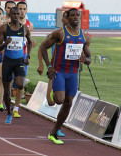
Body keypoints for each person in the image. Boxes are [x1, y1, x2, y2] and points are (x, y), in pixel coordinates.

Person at [40, 8, 91, 144]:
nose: (75, 17)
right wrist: (49, 66)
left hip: (73, 74)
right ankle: (54, 93)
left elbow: (89, 58)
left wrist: (84, 60)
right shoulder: (60, 33)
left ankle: (54, 132)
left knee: (68, 102)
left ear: (80, 17)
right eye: (72, 15)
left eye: (77, 15)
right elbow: (43, 47)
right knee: (59, 100)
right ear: (67, 18)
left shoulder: (84, 36)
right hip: (59, 72)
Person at [0, 7, 32, 124]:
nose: (17, 15)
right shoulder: (4, 28)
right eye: (14, 14)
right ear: (10, 15)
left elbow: (30, 42)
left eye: (18, 13)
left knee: (20, 84)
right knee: (7, 91)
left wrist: (28, 55)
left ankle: (15, 107)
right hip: (7, 61)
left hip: (19, 61)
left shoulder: (25, 29)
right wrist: (6, 43)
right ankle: (9, 113)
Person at [37, 11, 68, 137]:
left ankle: (58, 127)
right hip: (56, 70)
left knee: (67, 101)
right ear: (63, 20)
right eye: (66, 18)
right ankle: (51, 93)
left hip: (70, 71)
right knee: (51, 102)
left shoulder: (78, 34)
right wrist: (42, 64)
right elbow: (41, 47)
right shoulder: (56, 33)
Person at [10, 1, 37, 118]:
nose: (21, 11)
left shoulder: (29, 25)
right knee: (10, 81)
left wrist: (29, 52)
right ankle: (7, 101)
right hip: (10, 55)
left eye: (24, 9)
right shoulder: (9, 24)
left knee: (20, 82)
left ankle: (16, 107)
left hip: (23, 55)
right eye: (19, 8)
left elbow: (28, 40)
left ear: (26, 10)